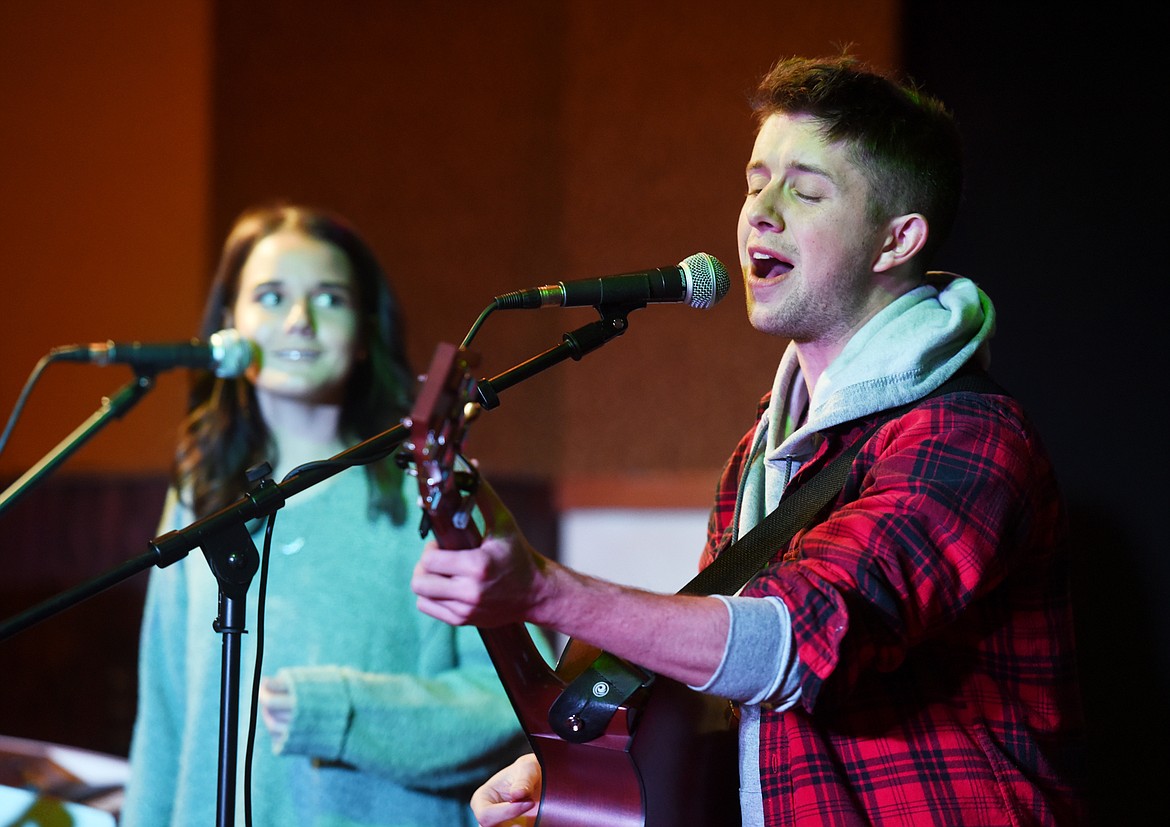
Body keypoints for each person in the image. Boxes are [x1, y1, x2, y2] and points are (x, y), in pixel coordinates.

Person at [411, 56, 1086, 826]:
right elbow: (713, 687)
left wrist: (544, 591)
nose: (758, 211)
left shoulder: (968, 434)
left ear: (896, 240)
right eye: (754, 180)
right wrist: (572, 763)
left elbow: (798, 639)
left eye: (804, 190)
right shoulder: (761, 454)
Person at [122, 203, 531, 827]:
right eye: (270, 295)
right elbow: (164, 717)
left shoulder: (438, 487)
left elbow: (512, 703)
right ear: (228, 324)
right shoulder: (198, 493)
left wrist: (341, 711)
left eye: (330, 299)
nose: (299, 321)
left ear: (366, 332)